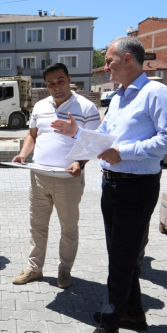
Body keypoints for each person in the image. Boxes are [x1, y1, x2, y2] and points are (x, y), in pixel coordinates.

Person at [53, 36, 167, 333]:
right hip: (112, 184)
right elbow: (105, 139)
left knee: (122, 259)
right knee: (119, 255)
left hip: (136, 186)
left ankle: (109, 329)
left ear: (127, 59)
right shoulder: (118, 98)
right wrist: (77, 133)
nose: (106, 67)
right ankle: (133, 312)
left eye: (109, 60)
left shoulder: (156, 93)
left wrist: (123, 152)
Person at [11, 63, 100, 288]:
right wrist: (22, 154)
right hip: (39, 176)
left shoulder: (87, 108)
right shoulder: (40, 106)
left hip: (68, 179)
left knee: (68, 228)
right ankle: (34, 268)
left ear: (69, 79)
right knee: (37, 225)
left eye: (60, 80)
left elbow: (94, 143)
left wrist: (80, 162)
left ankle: (65, 270)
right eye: (50, 83)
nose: (56, 86)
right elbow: (32, 135)